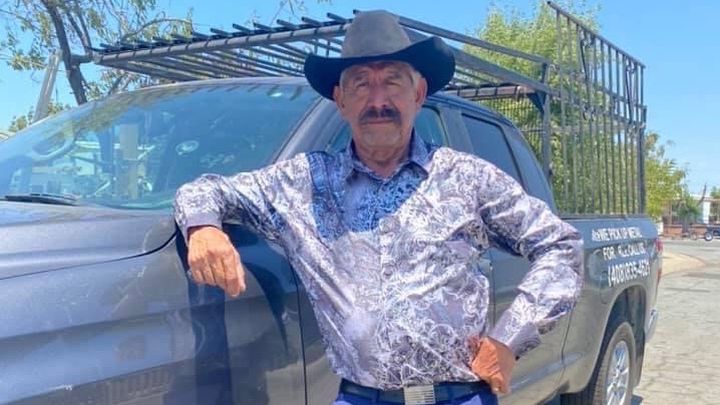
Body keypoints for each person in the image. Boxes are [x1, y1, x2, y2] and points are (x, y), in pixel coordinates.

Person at [174, 10, 583, 405]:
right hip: (359, 397)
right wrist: (204, 228)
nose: (378, 100)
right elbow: (204, 189)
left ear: (418, 94)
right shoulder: (304, 183)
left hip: (458, 397)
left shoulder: (467, 178)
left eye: (392, 81)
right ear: (340, 100)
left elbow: (562, 246)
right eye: (360, 84)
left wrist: (509, 339)